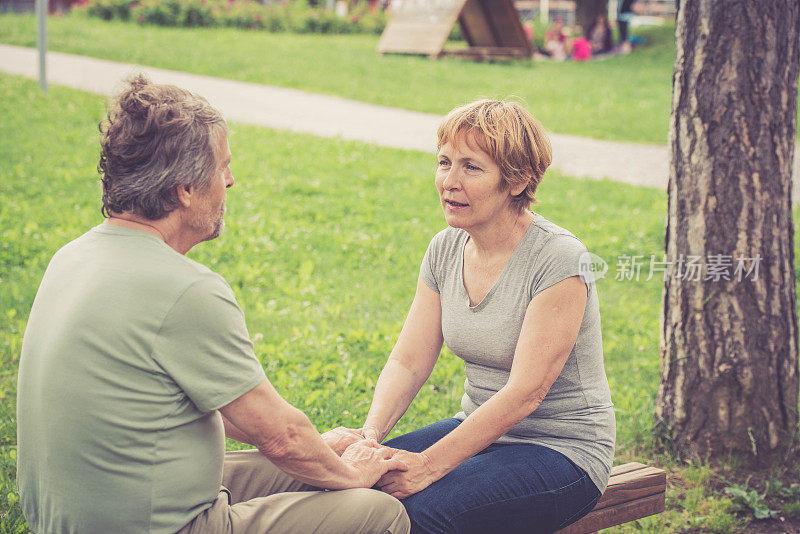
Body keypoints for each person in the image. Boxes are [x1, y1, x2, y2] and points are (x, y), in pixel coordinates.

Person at [16, 74, 410, 534]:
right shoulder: (185, 290)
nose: (231, 180)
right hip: (157, 524)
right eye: (222, 167)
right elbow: (281, 438)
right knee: (379, 513)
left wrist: (322, 451)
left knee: (321, 465)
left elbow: (231, 415)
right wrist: (352, 476)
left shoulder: (73, 256)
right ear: (185, 188)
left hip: (82, 509)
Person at [350, 100, 616, 533]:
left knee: (422, 514)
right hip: (479, 431)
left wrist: (428, 466)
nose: (448, 182)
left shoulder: (561, 259)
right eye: (444, 162)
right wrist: (369, 435)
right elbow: (408, 360)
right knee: (364, 493)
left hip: (564, 451)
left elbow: (525, 393)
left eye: (471, 168)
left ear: (517, 180)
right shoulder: (445, 247)